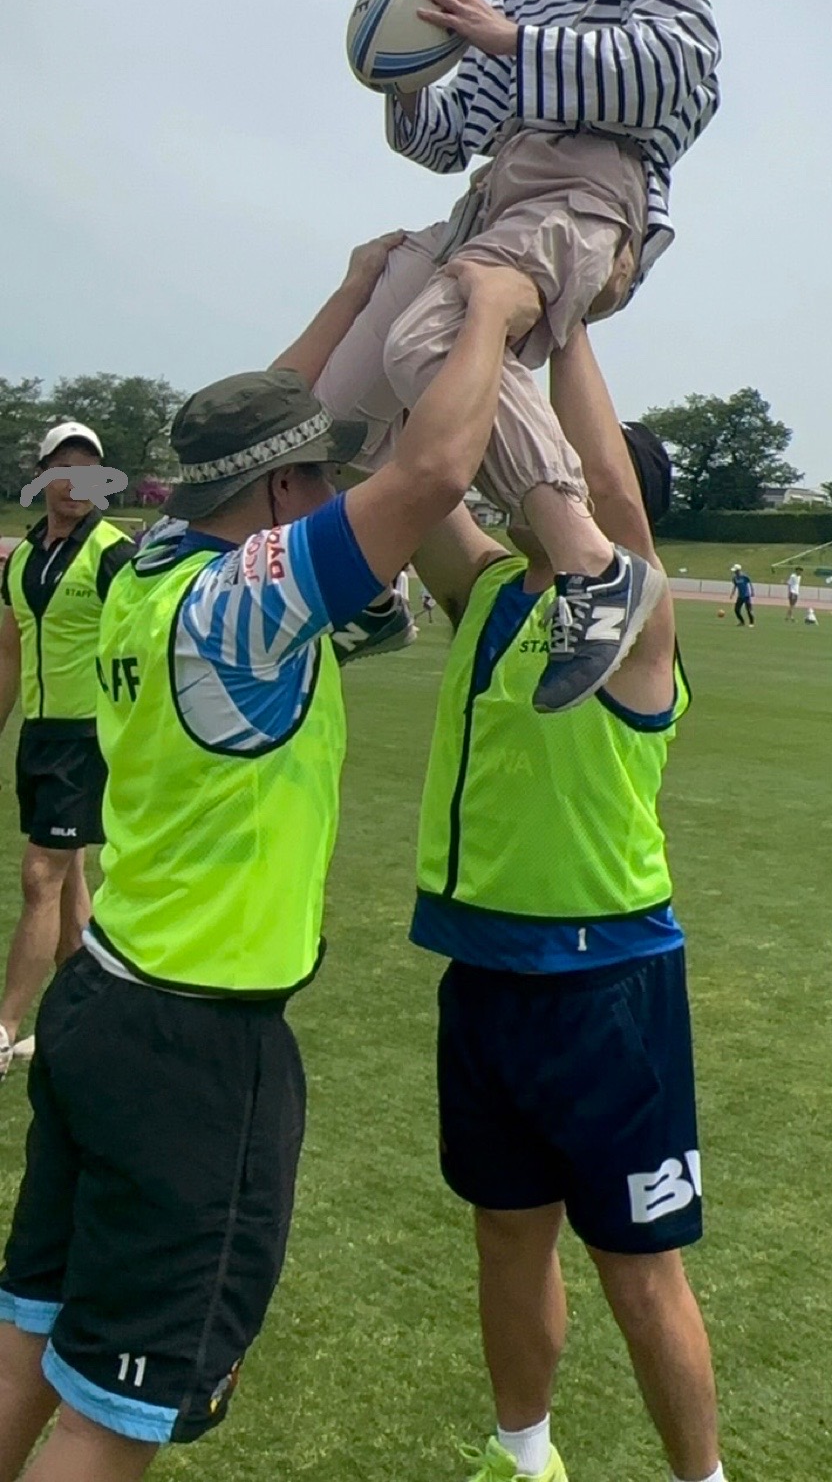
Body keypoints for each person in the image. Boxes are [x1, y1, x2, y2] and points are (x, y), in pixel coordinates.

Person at [0, 240, 540, 1480]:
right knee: (110, 1413)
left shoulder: (149, 564)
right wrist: (495, 311)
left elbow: (245, 438)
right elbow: (433, 470)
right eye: (318, 477)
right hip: (196, 1046)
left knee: (29, 1331)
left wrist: (355, 295)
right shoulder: (240, 603)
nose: (333, 492)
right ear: (285, 489)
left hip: (103, 996)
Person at [316, 0, 721, 714]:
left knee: (433, 344)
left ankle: (592, 562)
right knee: (329, 414)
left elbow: (672, 72)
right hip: (494, 198)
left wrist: (507, 38)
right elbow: (450, 136)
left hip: (588, 191)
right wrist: (401, 74)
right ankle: (364, 591)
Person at [408, 326, 724, 1482]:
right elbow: (420, 467)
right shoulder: (491, 588)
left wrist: (571, 325)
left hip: (607, 987)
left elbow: (619, 512)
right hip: (486, 972)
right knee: (506, 1230)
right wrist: (452, 325)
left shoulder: (636, 612)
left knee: (637, 1266)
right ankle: (523, 1456)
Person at [0, 424, 134, 1080]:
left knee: (41, 876)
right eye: (66, 469)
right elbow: (8, 651)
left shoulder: (114, 555)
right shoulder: (23, 558)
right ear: (43, 475)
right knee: (69, 876)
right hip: (40, 736)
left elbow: (144, 645)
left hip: (89, 739)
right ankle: (81, 1018)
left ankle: (4, 1028)